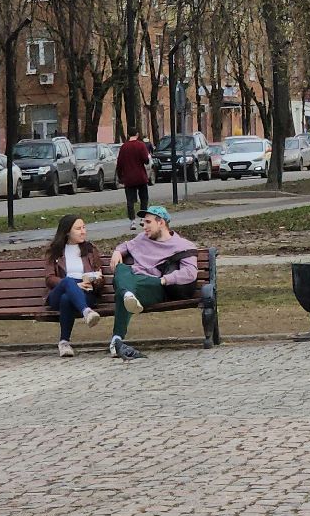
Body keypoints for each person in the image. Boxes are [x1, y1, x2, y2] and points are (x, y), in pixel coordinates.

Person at [105, 205, 200, 359]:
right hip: (132, 281)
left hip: (154, 285)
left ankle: (117, 337)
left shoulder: (182, 245)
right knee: (121, 269)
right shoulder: (142, 238)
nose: (144, 227)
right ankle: (126, 298)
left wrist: (165, 279)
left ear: (161, 222)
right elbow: (126, 245)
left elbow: (190, 273)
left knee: (123, 290)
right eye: (143, 223)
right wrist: (117, 251)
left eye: (148, 222)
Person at [43, 215, 104, 357]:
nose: (83, 231)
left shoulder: (90, 250)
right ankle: (86, 312)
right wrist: (75, 285)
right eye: (78, 228)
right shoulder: (55, 251)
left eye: (84, 227)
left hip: (85, 293)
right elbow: (49, 279)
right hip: (59, 291)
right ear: (67, 232)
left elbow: (100, 278)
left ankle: (64, 343)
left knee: (67, 299)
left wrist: (96, 279)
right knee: (68, 282)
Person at [116, 134, 152, 230]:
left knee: (130, 200)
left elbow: (119, 163)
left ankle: (132, 221)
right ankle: (142, 218)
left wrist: (120, 177)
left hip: (129, 178)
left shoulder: (124, 147)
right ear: (137, 134)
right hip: (141, 177)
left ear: (128, 135)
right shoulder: (141, 145)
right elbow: (146, 160)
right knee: (144, 198)